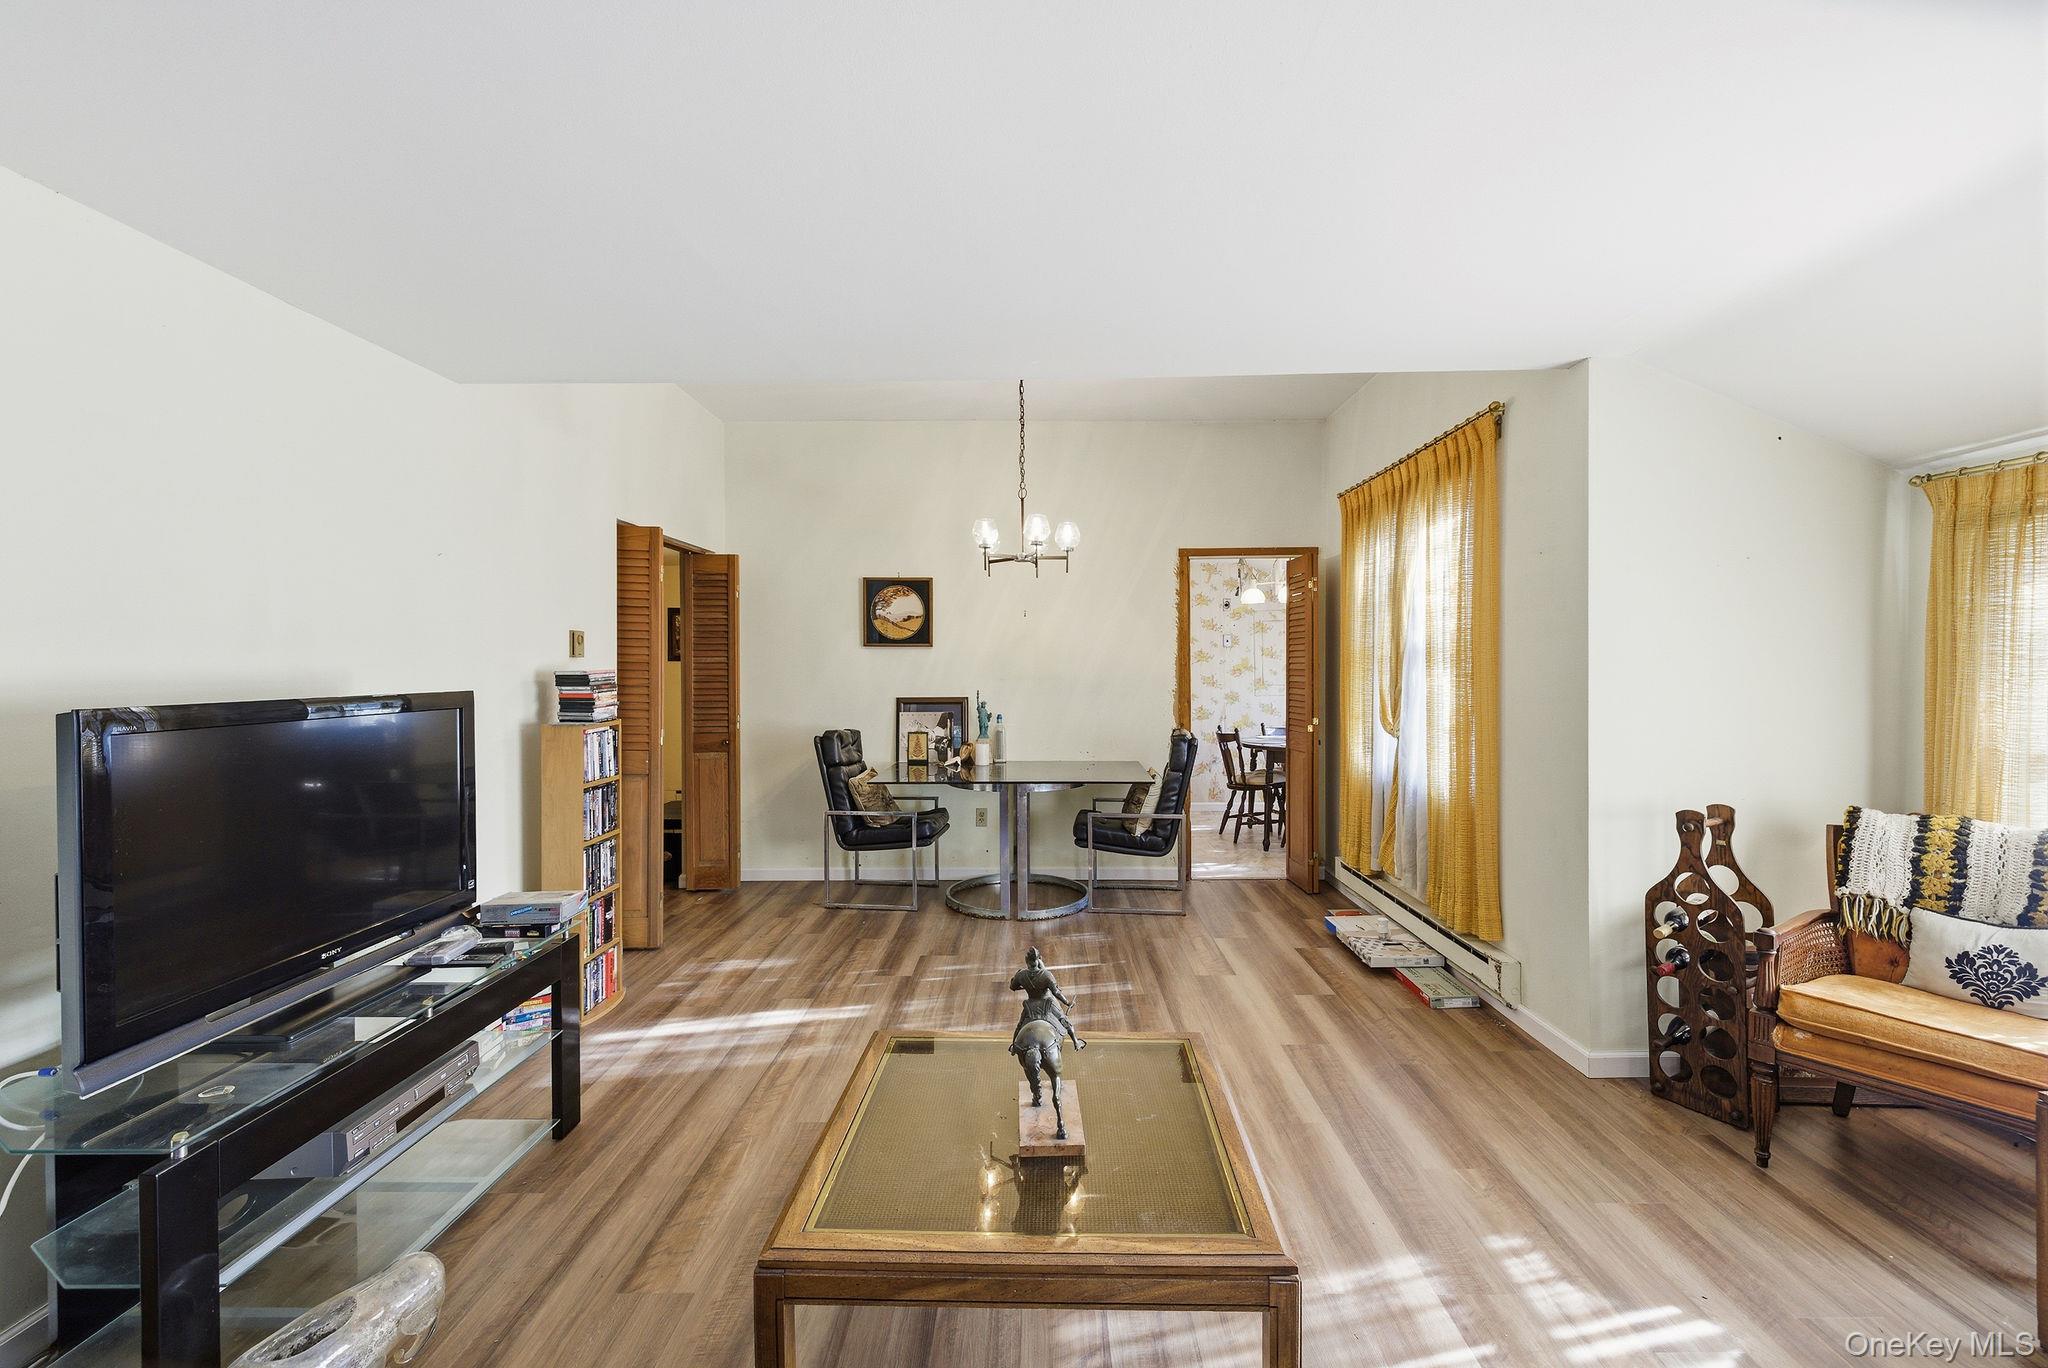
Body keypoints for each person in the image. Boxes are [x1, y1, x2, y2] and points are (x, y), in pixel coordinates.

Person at [1008, 947, 1085, 1051]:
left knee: (1020, 1024)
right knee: (1063, 1019)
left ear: (1027, 961)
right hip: (1047, 1003)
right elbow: (1056, 992)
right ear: (1038, 959)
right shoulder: (1046, 975)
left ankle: (1014, 1046)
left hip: (1031, 1004)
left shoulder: (1021, 975)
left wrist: (1023, 986)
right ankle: (1075, 1042)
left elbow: (1013, 987)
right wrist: (1067, 1002)